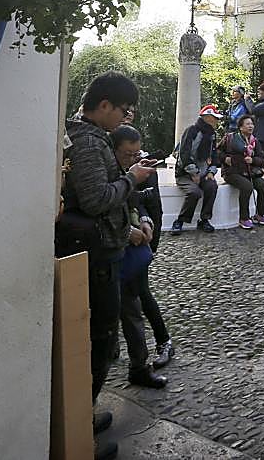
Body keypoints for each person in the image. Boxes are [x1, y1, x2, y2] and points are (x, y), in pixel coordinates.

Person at [59, 72, 154, 460]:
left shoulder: (88, 137)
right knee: (99, 340)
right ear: (104, 106)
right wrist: (131, 179)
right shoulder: (86, 142)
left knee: (101, 337)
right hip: (96, 255)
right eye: (123, 110)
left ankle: (82, 413)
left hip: (103, 250)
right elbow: (97, 199)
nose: (124, 118)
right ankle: (79, 430)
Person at [109, 125, 170, 388]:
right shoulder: (102, 165)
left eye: (136, 154)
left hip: (133, 251)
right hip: (109, 252)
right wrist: (127, 232)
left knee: (135, 304)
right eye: (127, 154)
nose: (132, 159)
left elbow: (139, 200)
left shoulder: (134, 168)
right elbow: (99, 205)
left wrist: (144, 221)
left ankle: (143, 362)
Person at [171, 104, 224, 234]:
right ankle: (180, 220)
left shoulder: (212, 134)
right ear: (207, 118)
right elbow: (184, 154)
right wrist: (194, 173)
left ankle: (204, 219)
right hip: (184, 173)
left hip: (204, 172)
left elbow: (214, 155)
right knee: (194, 192)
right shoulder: (192, 131)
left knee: (212, 186)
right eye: (215, 118)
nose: (217, 121)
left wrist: (211, 171)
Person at [221, 114, 264, 229]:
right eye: (247, 124)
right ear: (241, 127)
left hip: (250, 172)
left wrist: (252, 160)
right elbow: (218, 152)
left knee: (263, 185)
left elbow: (261, 159)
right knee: (247, 187)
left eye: (252, 124)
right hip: (232, 172)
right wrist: (225, 159)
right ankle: (244, 218)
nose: (250, 126)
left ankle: (260, 214)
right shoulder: (230, 138)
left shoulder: (254, 141)